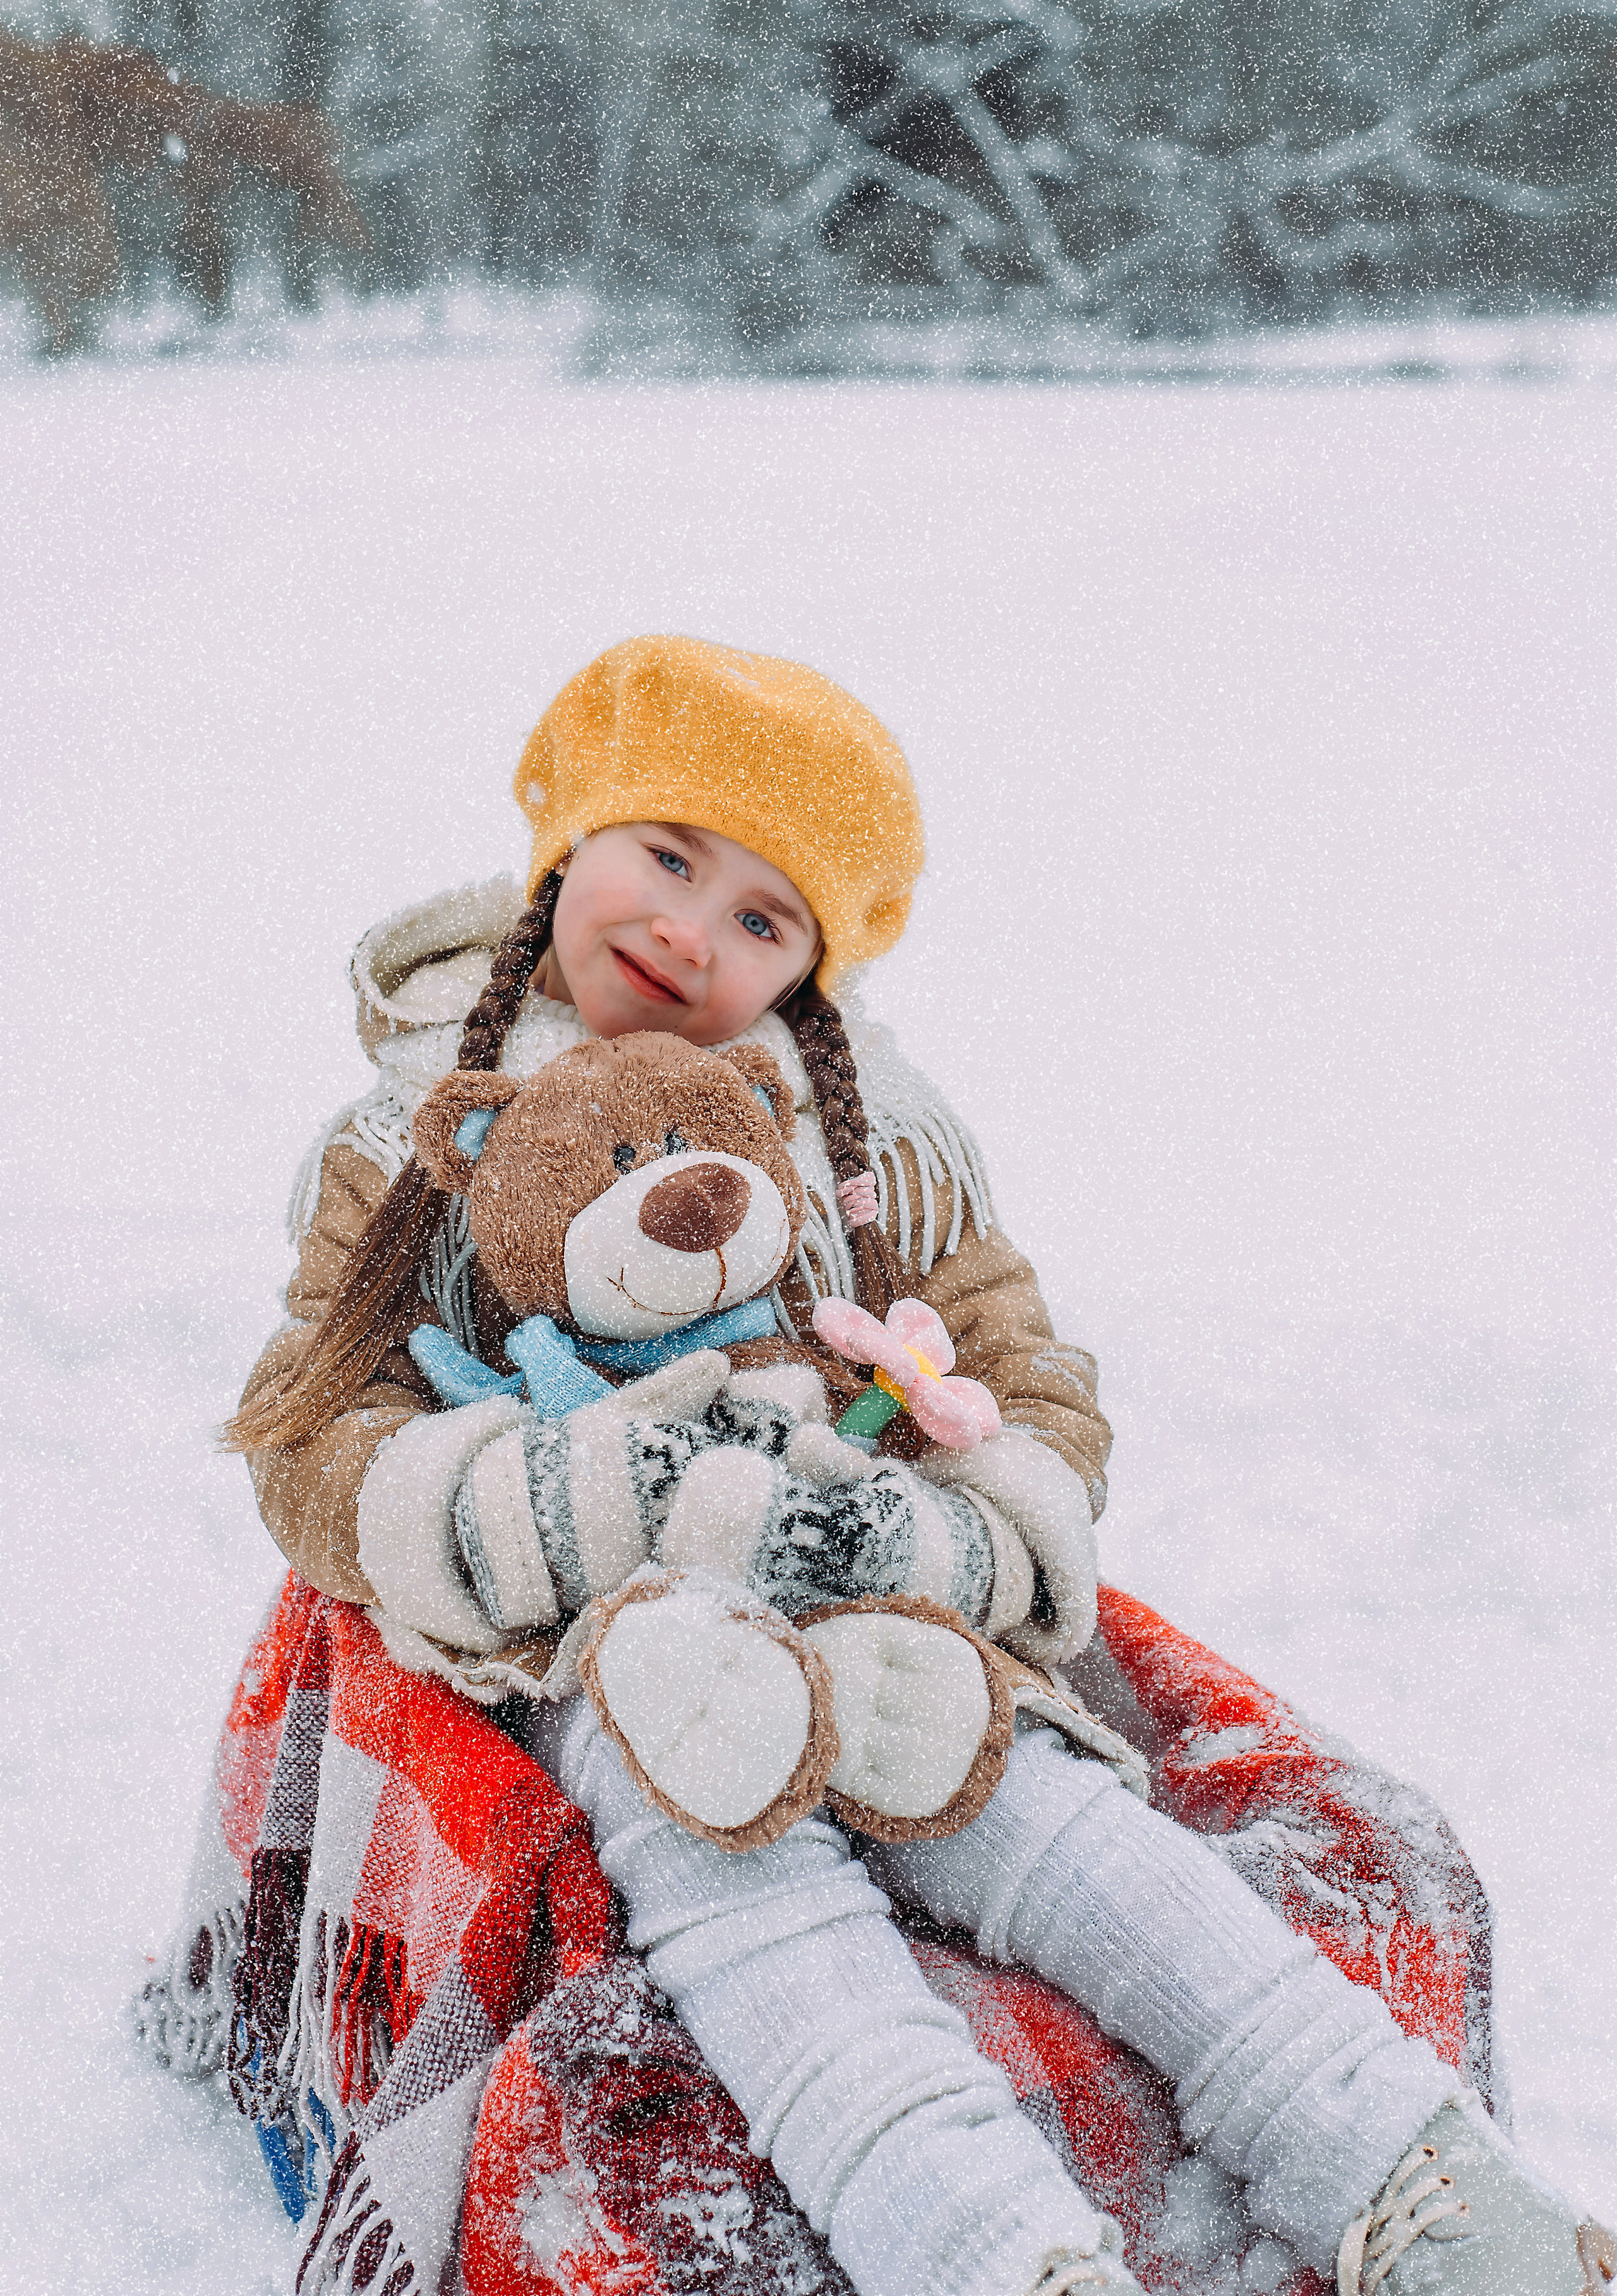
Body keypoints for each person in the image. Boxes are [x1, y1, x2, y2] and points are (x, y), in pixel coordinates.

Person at [231, 634, 1610, 2296]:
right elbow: (317, 1433)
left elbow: (1021, 1375)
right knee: (738, 1866)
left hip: (863, 1582)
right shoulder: (422, 1119)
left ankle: (1405, 2167)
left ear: (815, 968)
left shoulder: (864, 1139)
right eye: (667, 854)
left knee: (1037, 1815)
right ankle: (995, 2253)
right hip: (603, 1647)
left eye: (765, 915)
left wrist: (939, 1534)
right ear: (567, 840)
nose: (691, 928)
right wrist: (568, 1505)